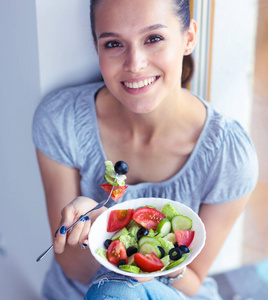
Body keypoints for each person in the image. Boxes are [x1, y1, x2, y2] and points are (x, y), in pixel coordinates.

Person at [32, 0, 258, 299]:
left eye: (153, 38)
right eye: (114, 43)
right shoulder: (61, 120)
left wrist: (162, 261)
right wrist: (95, 231)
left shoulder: (229, 156)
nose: (135, 63)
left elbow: (191, 281)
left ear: (189, 38)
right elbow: (75, 268)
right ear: (97, 48)